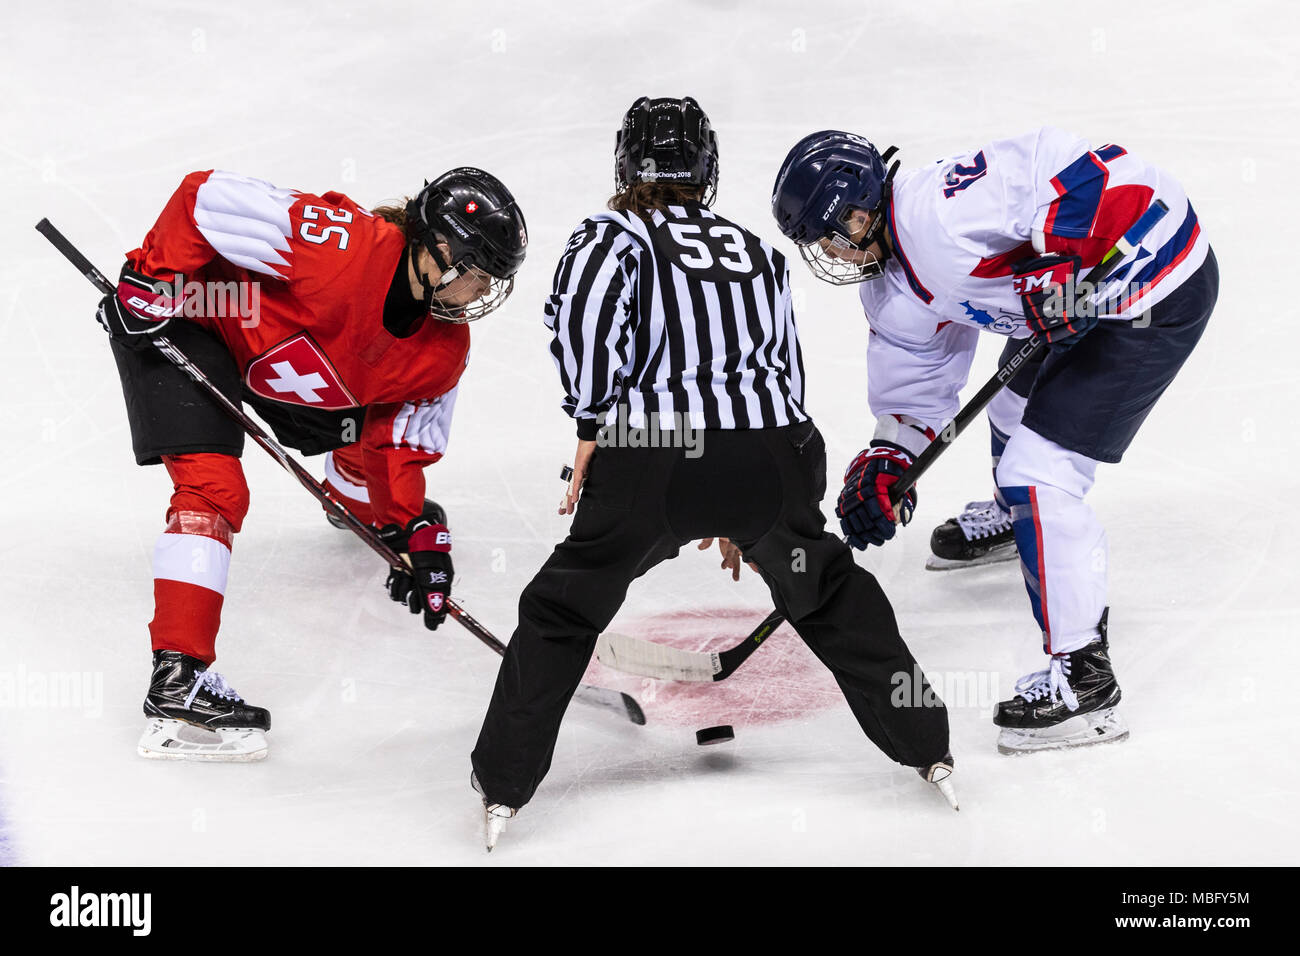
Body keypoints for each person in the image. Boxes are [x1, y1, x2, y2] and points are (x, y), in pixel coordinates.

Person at [469, 97, 956, 851]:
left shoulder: (611, 235)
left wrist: (593, 423)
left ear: (628, 166)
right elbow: (783, 372)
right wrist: (751, 511)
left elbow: (586, 333)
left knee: (564, 611)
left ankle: (503, 785)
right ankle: (928, 745)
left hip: (653, 457)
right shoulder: (755, 249)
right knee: (826, 590)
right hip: (775, 457)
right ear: (708, 171)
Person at [770, 128, 1217, 753]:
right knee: (1009, 406)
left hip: (1150, 289)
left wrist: (1072, 266)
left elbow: (1102, 175)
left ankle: (1083, 683)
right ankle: (1018, 524)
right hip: (1071, 305)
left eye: (828, 236)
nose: (830, 254)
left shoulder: (942, 215)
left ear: (860, 211)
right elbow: (914, 392)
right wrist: (889, 461)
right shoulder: (892, 283)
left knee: (1040, 474)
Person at [98, 166, 527, 760]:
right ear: (439, 251)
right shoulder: (337, 243)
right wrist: (148, 282)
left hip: (287, 375)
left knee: (366, 432)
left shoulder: (443, 351)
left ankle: (358, 507)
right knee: (215, 489)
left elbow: (396, 443)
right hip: (189, 322)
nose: (481, 295)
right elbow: (204, 196)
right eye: (477, 277)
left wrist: (409, 529)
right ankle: (180, 675)